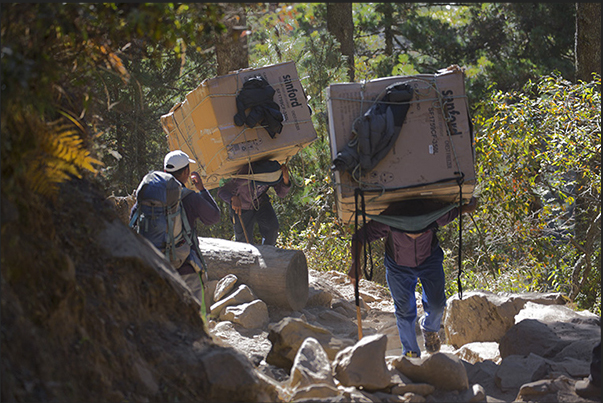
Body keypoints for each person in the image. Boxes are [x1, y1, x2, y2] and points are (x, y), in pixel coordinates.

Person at [347, 197, 478, 358]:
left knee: (437, 305)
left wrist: (468, 207)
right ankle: (410, 353)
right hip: (398, 267)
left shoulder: (434, 215)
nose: (415, 236)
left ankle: (429, 328)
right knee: (405, 311)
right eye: (409, 234)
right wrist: (355, 265)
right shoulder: (388, 219)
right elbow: (359, 237)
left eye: (421, 232)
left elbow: (460, 210)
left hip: (429, 261)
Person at [130, 150, 221, 310]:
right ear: (186, 172)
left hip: (155, 268)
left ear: (165, 171)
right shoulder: (189, 197)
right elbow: (213, 216)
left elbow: (133, 219)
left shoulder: (149, 196)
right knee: (196, 323)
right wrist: (202, 189)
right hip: (186, 268)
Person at [217, 161, 291, 246]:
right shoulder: (245, 175)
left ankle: (268, 253)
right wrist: (232, 198)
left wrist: (285, 180)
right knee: (244, 242)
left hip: (260, 202)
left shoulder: (271, 171)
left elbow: (281, 193)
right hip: (242, 206)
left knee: (272, 228)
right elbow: (222, 191)